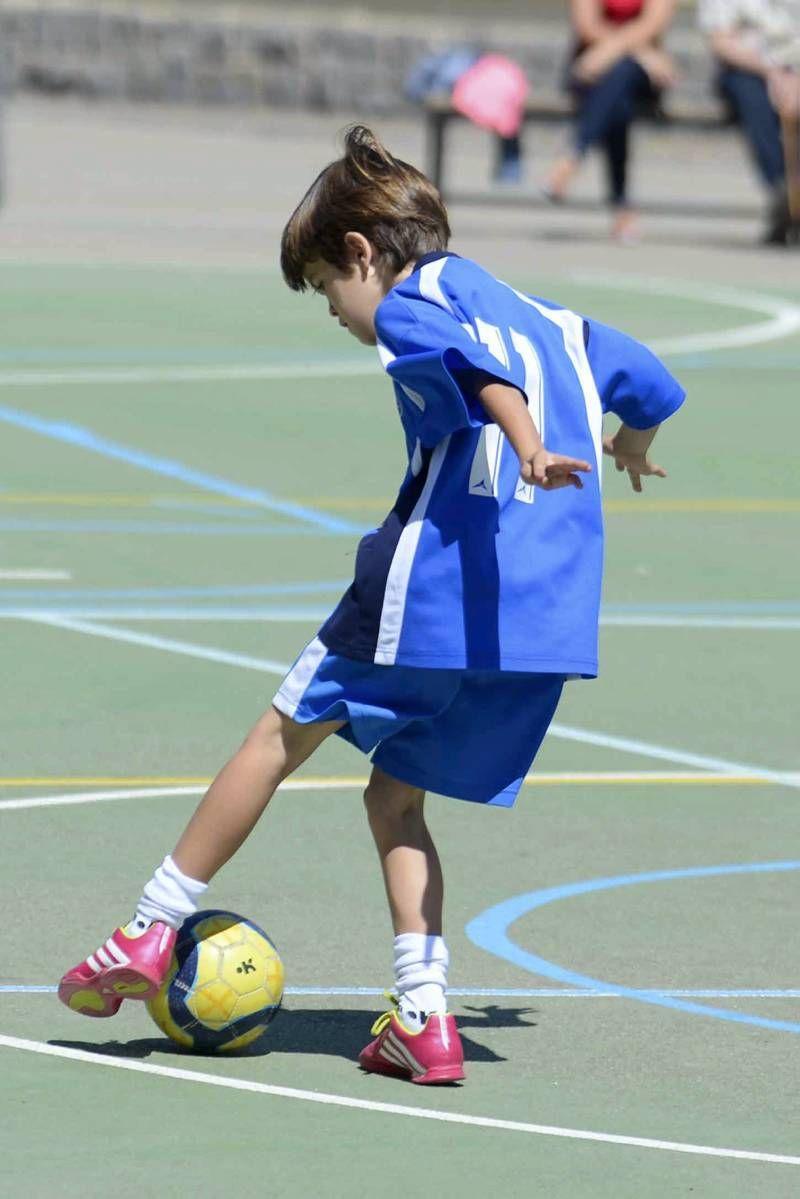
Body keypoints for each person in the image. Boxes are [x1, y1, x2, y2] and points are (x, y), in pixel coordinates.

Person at [58, 126, 685, 1085]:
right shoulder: (558, 319)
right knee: (394, 795)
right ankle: (425, 1019)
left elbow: (479, 375)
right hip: (540, 625)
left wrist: (521, 436)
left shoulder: (411, 300)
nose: (338, 314)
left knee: (276, 737)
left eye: (325, 289)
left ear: (361, 254)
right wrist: (629, 440)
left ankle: (147, 929)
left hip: (432, 587)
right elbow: (656, 383)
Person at [545, 0, 678, 241]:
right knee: (618, 98)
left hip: (639, 75)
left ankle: (573, 155)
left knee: (622, 74)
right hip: (592, 70)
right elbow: (586, 25)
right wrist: (640, 53)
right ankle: (622, 208)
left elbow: (653, 24)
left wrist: (612, 51)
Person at [698, 0, 800, 244]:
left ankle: (792, 199)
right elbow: (721, 42)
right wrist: (773, 72)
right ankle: (782, 192)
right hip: (749, 69)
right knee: (752, 96)